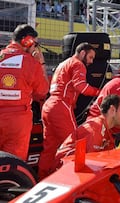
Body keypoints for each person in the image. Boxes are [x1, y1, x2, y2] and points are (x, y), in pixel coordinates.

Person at [38, 42, 100, 179]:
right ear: (82, 53)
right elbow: (81, 86)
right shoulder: (78, 64)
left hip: (49, 106)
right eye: (90, 57)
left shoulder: (63, 63)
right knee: (76, 143)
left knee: (50, 147)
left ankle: (42, 179)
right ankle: (76, 179)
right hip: (61, 106)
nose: (91, 61)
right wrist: (99, 92)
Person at [0, 24, 49, 161]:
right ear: (27, 41)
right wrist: (41, 63)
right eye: (35, 43)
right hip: (17, 121)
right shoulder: (30, 63)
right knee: (13, 164)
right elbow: (43, 91)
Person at [53, 94, 120, 172]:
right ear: (112, 110)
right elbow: (90, 165)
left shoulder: (105, 130)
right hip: (64, 171)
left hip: (73, 169)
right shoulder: (95, 129)